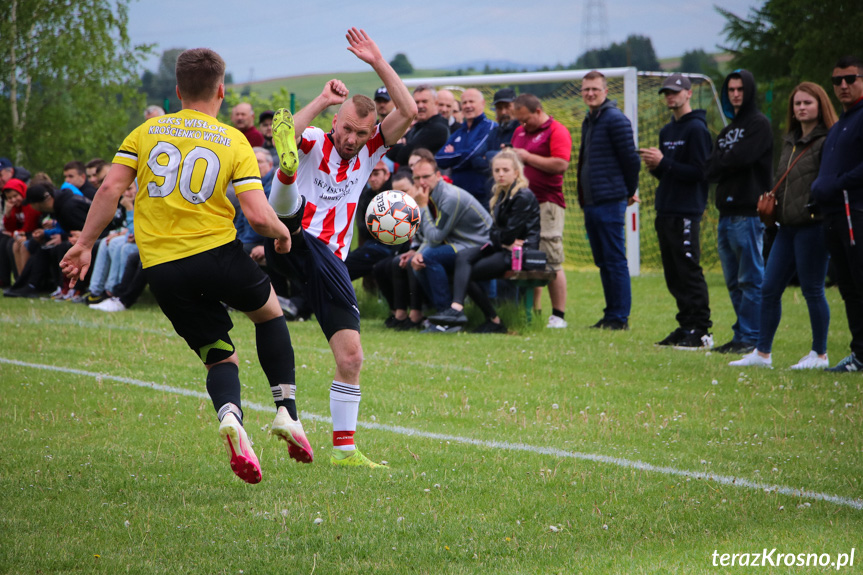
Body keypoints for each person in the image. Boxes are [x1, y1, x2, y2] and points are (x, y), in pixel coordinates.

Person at [60, 47, 312, 485]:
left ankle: (231, 416)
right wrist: (282, 232)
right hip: (217, 255)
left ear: (177, 91)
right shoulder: (233, 139)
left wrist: (84, 244)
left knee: (219, 357)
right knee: (269, 313)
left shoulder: (145, 132)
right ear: (221, 91)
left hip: (163, 268)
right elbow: (255, 214)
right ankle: (286, 413)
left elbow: (108, 190)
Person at [263, 28, 417, 468]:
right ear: (335, 122)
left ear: (372, 132)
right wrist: (321, 100)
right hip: (292, 239)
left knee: (352, 356)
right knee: (288, 170)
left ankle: (345, 451)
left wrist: (377, 61)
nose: (352, 138)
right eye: (347, 129)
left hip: (328, 261)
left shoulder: (370, 150)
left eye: (361, 132)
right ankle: (287, 184)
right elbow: (284, 134)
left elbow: (408, 110)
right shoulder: (314, 137)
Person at [730, 82, 838, 369]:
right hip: (786, 227)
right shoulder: (789, 141)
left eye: (808, 103)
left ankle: (820, 354)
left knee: (812, 289)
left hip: (813, 226)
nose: (801, 108)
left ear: (820, 106)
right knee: (769, 287)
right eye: (797, 103)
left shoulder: (828, 140)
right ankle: (762, 354)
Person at [428, 150, 540, 333]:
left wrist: (502, 239)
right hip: (503, 248)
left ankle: (490, 320)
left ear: (516, 172)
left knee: (467, 273)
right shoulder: (501, 195)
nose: (500, 174)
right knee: (463, 257)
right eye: (497, 170)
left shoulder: (523, 196)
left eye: (505, 170)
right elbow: (494, 232)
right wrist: (502, 239)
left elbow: (508, 233)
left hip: (519, 253)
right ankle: (459, 309)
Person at [640, 74, 714, 349]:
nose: (670, 97)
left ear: (688, 93)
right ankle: (685, 326)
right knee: (673, 272)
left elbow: (700, 173)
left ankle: (702, 330)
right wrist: (657, 167)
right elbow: (670, 173)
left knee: (688, 269)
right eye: (666, 93)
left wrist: (665, 163)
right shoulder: (666, 131)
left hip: (686, 211)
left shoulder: (697, 130)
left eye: (675, 92)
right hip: (666, 209)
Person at [706, 69, 773, 355]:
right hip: (725, 214)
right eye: (731, 89)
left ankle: (752, 337)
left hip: (748, 214)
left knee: (750, 278)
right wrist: (726, 160)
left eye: (740, 89)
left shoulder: (759, 124)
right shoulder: (727, 131)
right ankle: (742, 334)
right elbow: (710, 169)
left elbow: (741, 157)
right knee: (733, 281)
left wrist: (724, 160)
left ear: (749, 91)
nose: (735, 94)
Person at [575, 73, 640, 330]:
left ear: (605, 90)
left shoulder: (614, 119)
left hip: (610, 200)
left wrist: (627, 191)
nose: (590, 93)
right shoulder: (589, 120)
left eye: (594, 89)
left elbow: (631, 160)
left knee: (614, 259)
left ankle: (619, 317)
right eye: (586, 89)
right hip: (591, 202)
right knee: (603, 260)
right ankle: (611, 313)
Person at [812, 56, 863, 372]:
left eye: (851, 78)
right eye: (837, 81)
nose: (843, 85)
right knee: (847, 286)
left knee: (860, 283)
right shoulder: (840, 123)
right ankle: (859, 354)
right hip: (833, 216)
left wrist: (838, 184)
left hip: (855, 212)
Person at [511, 93, 574, 328]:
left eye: (526, 119)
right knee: (528, 257)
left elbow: (561, 164)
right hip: (522, 204)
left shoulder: (557, 131)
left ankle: (559, 315)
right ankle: (533, 310)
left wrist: (528, 157)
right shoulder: (519, 132)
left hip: (547, 203)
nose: (522, 124)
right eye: (519, 120)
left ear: (538, 111)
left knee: (550, 256)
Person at [409, 157, 492, 333]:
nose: (421, 182)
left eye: (426, 176)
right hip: (459, 242)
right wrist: (417, 252)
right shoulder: (430, 194)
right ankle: (440, 315)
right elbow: (431, 236)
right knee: (418, 261)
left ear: (438, 175)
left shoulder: (449, 197)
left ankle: (448, 319)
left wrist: (422, 207)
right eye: (416, 178)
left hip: (479, 244)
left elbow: (436, 237)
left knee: (429, 257)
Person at [435, 88, 496, 207]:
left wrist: (453, 158)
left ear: (482, 103)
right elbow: (440, 158)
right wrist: (467, 158)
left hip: (483, 197)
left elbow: (472, 154)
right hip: (459, 196)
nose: (468, 106)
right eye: (464, 102)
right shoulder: (458, 132)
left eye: (471, 101)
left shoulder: (489, 127)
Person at [385, 84, 449, 166]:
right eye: (417, 102)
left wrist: (399, 143)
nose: (420, 106)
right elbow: (389, 152)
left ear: (436, 103)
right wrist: (402, 146)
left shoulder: (439, 128)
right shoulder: (418, 126)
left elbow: (403, 157)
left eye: (424, 101)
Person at [1, 179, 42, 287]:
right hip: (25, 234)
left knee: (22, 245)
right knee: (15, 245)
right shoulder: (15, 207)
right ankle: (20, 279)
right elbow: (10, 228)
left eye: (15, 195)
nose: (13, 200)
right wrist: (8, 213)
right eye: (9, 198)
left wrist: (16, 233)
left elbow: (30, 225)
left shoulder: (29, 204)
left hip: (34, 234)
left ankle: (26, 282)